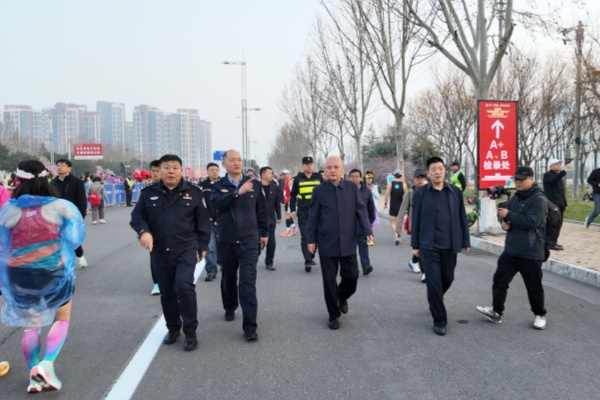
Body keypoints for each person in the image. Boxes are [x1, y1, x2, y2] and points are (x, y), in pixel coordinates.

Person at [0, 160, 86, 393]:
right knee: (62, 317)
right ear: (45, 178)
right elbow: (75, 237)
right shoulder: (61, 206)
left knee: (31, 326)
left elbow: (2, 243)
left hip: (19, 274)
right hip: (53, 271)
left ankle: (33, 377)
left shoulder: (9, 210)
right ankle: (47, 364)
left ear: (18, 181)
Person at [130, 154, 211, 351]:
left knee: (184, 287)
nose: (171, 171)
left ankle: (190, 331)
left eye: (175, 167)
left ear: (181, 171)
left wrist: (203, 245)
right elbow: (137, 217)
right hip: (159, 251)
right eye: (166, 167)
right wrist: (144, 232)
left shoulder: (194, 193)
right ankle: (173, 328)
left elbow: (203, 221)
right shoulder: (148, 193)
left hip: (186, 249)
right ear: (159, 171)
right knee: (167, 292)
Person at [476, 166, 549, 330]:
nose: (518, 182)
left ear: (532, 179)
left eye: (522, 179)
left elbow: (532, 222)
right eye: (516, 179)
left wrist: (508, 215)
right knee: (500, 280)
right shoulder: (516, 197)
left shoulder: (539, 200)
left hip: (530, 252)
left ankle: (540, 314)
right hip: (511, 250)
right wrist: (505, 224)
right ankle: (496, 311)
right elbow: (506, 216)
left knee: (534, 286)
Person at [307, 156, 373, 330]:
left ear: (342, 169)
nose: (332, 170)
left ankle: (342, 296)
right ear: (325, 170)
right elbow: (313, 217)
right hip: (327, 242)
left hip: (348, 241)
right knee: (329, 281)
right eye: (329, 167)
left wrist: (367, 230)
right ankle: (333, 314)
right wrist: (311, 239)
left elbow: (361, 210)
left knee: (352, 277)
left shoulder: (351, 188)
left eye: (336, 167)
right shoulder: (319, 191)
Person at [211, 150, 268, 341]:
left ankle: (250, 327)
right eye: (232, 160)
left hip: (249, 242)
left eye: (239, 160)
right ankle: (229, 306)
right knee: (228, 278)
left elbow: (262, 210)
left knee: (247, 283)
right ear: (224, 164)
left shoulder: (255, 185)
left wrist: (265, 233)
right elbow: (217, 205)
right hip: (227, 241)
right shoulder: (218, 186)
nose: (236, 163)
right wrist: (237, 193)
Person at [411, 157, 470, 336]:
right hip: (429, 246)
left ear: (445, 171)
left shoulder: (455, 192)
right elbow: (416, 220)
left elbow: (462, 217)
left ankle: (434, 299)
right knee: (434, 283)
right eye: (434, 169)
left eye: (441, 168)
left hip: (450, 245)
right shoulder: (421, 194)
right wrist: (415, 245)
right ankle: (440, 320)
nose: (438, 172)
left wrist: (465, 241)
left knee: (448, 279)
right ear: (428, 173)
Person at [51, 159, 89, 268]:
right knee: (57, 237)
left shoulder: (77, 182)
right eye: (58, 165)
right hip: (57, 215)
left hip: (72, 215)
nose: (59, 167)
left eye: (62, 165)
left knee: (72, 237)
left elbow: (82, 200)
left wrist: (81, 215)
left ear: (69, 168)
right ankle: (62, 260)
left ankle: (80, 256)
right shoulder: (53, 183)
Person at [290, 156, 323, 272]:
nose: (309, 166)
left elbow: (325, 193)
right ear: (303, 166)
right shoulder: (298, 179)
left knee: (316, 235)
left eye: (311, 164)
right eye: (307, 164)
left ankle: (311, 255)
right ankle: (307, 260)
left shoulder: (318, 177)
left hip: (318, 211)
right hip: (303, 211)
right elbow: (293, 195)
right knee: (305, 236)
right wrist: (292, 209)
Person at [398, 169, 429, 280]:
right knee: (420, 248)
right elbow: (402, 209)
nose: (420, 180)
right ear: (414, 180)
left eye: (422, 178)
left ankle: (413, 261)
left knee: (422, 248)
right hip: (415, 225)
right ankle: (425, 273)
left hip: (428, 225)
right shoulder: (410, 193)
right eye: (418, 178)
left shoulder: (430, 192)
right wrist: (398, 226)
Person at [348, 169, 376, 276]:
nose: (354, 178)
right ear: (349, 178)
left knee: (363, 246)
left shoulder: (366, 192)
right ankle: (351, 268)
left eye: (356, 176)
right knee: (349, 249)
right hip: (348, 225)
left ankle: (366, 266)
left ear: (360, 178)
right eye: (352, 176)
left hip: (361, 225)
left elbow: (371, 210)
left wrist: (368, 223)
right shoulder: (344, 191)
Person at [542, 158, 571, 250]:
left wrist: (565, 203)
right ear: (551, 166)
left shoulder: (558, 176)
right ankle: (549, 242)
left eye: (559, 164)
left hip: (560, 203)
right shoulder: (547, 175)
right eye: (556, 164)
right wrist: (564, 171)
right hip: (553, 204)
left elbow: (561, 192)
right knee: (553, 223)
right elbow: (553, 180)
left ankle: (553, 241)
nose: (559, 166)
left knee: (558, 223)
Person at [200, 162, 221, 282]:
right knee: (210, 247)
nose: (214, 172)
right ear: (207, 172)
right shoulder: (202, 186)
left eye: (216, 170)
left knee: (223, 245)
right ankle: (211, 271)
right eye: (212, 170)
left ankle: (223, 264)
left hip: (223, 220)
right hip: (208, 221)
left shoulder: (224, 184)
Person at [260, 166, 282, 271]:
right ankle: (250, 260)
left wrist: (279, 216)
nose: (271, 175)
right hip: (258, 220)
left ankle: (269, 262)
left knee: (271, 242)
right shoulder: (256, 187)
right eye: (269, 173)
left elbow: (277, 203)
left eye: (272, 173)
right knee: (256, 243)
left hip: (271, 219)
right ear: (263, 175)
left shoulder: (275, 187)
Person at [146, 160, 162, 295]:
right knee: (155, 258)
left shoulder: (177, 189)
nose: (155, 174)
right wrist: (143, 231)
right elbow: (140, 214)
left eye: (158, 171)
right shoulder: (147, 191)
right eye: (153, 171)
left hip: (175, 232)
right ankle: (157, 283)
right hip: (154, 232)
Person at [384, 169, 407, 245]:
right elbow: (406, 196)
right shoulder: (404, 185)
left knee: (393, 222)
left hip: (393, 206)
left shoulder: (390, 184)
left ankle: (396, 234)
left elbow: (387, 195)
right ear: (400, 176)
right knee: (399, 223)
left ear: (394, 175)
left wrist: (385, 203)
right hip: (402, 206)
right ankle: (399, 237)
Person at [279, 169, 298, 237]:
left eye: (285, 174)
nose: (283, 176)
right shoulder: (286, 181)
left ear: (288, 174)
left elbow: (292, 192)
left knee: (287, 216)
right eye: (283, 175)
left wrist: (290, 201)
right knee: (288, 215)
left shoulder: (290, 181)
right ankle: (294, 228)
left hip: (289, 201)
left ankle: (288, 231)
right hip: (286, 200)